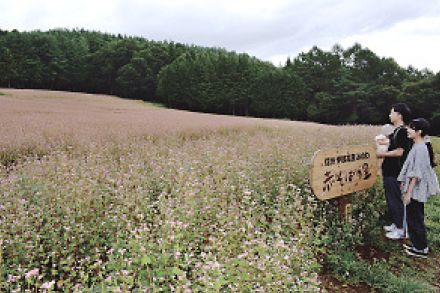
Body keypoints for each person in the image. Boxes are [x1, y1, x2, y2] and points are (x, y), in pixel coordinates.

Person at [397, 118, 440, 258]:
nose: (408, 130)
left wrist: (408, 192)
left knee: (415, 218)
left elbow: (416, 174)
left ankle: (421, 248)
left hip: (415, 190)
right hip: (414, 188)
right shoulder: (418, 146)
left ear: (419, 132)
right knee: (413, 216)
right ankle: (417, 244)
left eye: (411, 128)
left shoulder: (420, 148)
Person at [377, 103, 412, 240]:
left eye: (392, 113)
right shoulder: (396, 131)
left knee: (395, 200)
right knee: (392, 198)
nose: (390, 115)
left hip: (395, 171)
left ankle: (400, 229)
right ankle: (396, 223)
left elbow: (400, 152)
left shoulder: (402, 131)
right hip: (390, 171)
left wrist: (382, 155)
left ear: (399, 115)